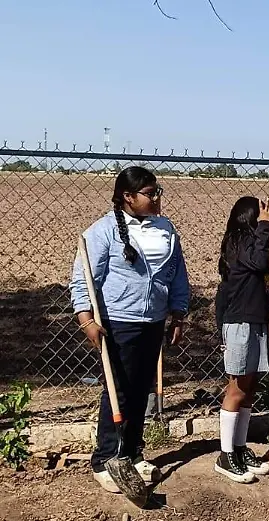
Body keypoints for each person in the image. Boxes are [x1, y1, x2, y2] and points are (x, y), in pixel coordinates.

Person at [70, 167, 190, 494]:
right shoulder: (102, 231)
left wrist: (178, 313)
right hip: (118, 322)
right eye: (150, 193)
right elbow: (83, 280)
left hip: (153, 321)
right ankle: (106, 459)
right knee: (118, 390)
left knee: (141, 389)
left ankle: (133, 453)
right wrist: (86, 321)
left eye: (158, 191)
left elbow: (177, 274)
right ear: (128, 197)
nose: (157, 198)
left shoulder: (166, 229)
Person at [213, 196, 269, 483]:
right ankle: (225, 455)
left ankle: (239, 448)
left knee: (249, 388)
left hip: (255, 323)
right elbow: (259, 260)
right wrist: (265, 228)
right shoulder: (238, 245)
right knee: (237, 389)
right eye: (260, 216)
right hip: (239, 324)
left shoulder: (251, 246)